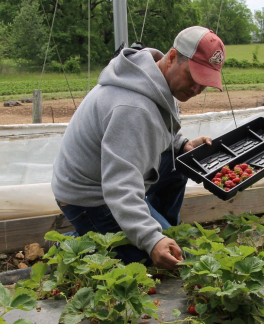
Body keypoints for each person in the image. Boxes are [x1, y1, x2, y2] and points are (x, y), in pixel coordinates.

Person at [52, 26, 226, 270]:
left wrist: (181, 144)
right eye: (193, 77)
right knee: (154, 265)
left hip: (113, 178)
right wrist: (151, 240)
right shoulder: (133, 108)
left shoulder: (154, 79)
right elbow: (119, 185)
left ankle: (159, 226)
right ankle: (74, 246)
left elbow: (158, 129)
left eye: (204, 83)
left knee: (180, 161)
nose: (197, 89)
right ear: (173, 57)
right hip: (90, 197)